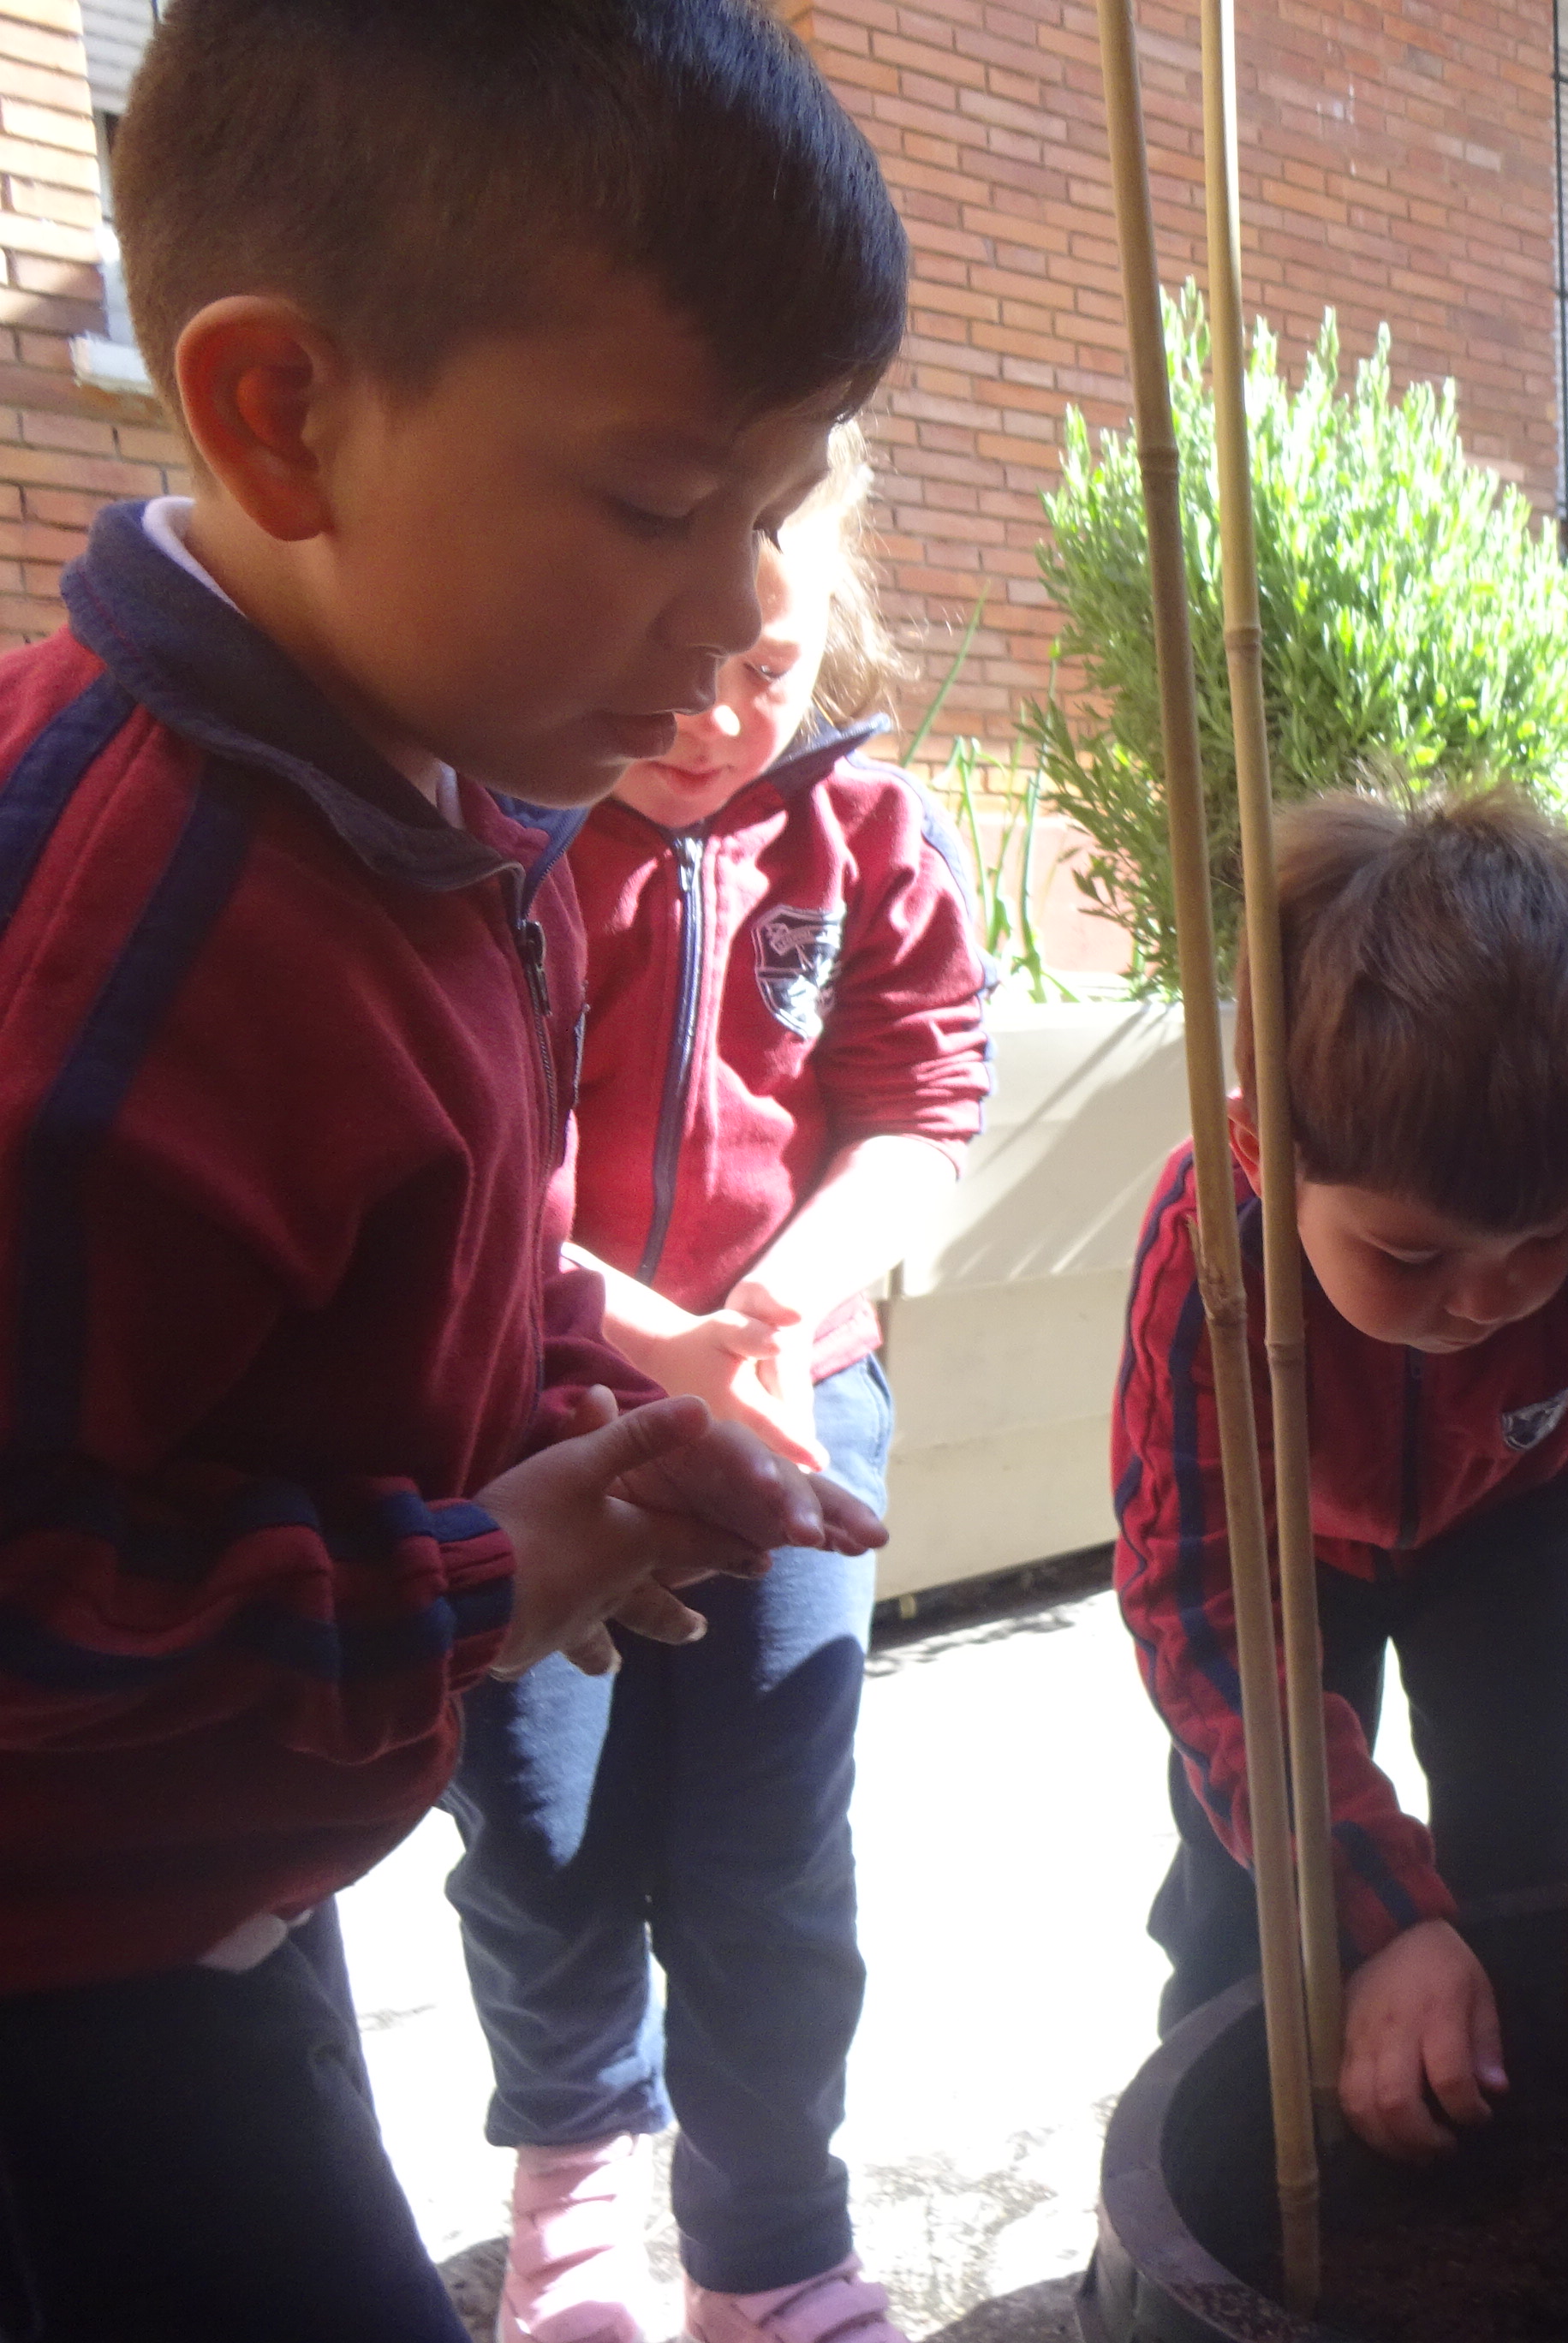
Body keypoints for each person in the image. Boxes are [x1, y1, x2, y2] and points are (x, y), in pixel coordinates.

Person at [0, 4, 906, 2337]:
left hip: (201, 1886)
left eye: (778, 509)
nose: (744, 613)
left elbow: (342, 1299)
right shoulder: (135, 947)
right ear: (281, 416)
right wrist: (485, 1581)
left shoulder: (428, 795)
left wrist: (569, 1403)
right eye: (661, 505)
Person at [445, 427, 987, 2343]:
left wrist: (768, 1310)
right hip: (532, 1406)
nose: (716, 717)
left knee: (773, 1861)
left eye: (767, 667)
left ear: (821, 619)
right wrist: (641, 1339)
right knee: (541, 1840)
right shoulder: (494, 837)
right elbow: (471, 1165)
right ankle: (575, 2178)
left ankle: (770, 2248)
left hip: (789, 1398)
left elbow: (922, 1106)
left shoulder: (874, 834)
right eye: (681, 663)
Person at [1117, 791, 1568, 2161]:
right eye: (1410, 1256)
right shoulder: (1208, 1259)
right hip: (1284, 1558)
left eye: (1541, 1243)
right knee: (1250, 1900)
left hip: (1520, 1523)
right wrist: (1385, 1915)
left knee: (1533, 1858)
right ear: (1260, 1152)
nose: (1486, 1299)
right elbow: (1191, 1603)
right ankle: (1243, 2150)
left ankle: (1512, 2126)